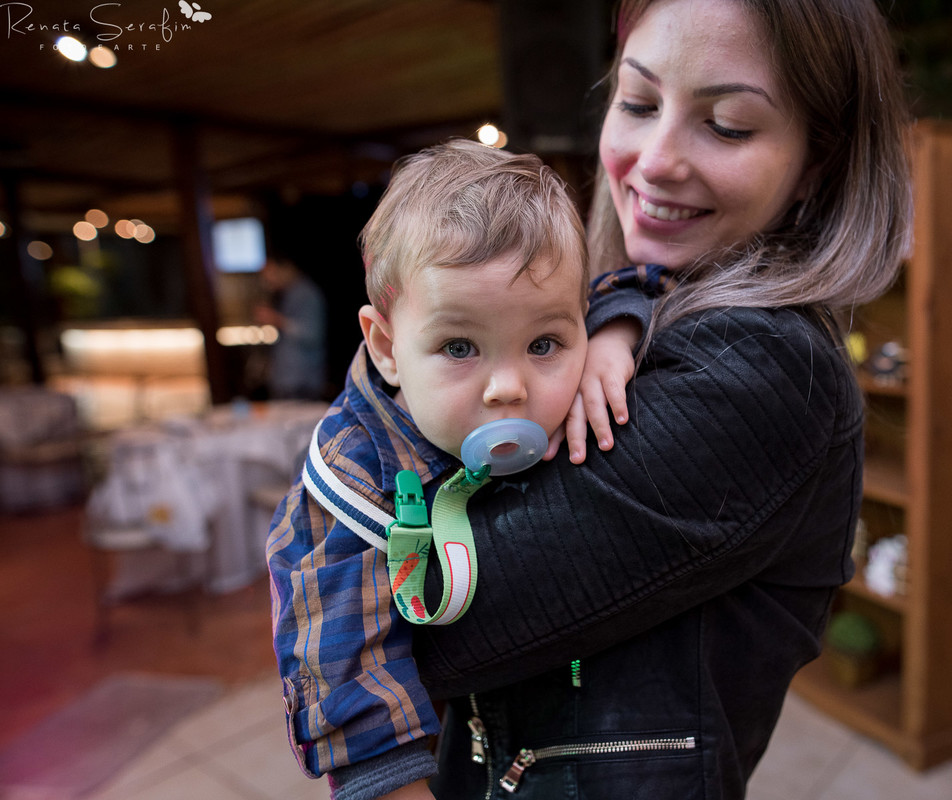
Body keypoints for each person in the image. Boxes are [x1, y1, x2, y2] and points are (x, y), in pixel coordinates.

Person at [278, 0, 913, 797]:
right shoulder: (631, 311)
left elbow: (429, 615)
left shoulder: (773, 371)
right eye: (639, 103)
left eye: (728, 125)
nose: (654, 160)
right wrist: (610, 319)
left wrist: (331, 528)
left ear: (818, 157)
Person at [267, 140, 619, 798]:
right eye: (460, 346)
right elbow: (338, 652)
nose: (509, 388)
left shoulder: (588, 363)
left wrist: (620, 333)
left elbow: (631, 285)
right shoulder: (354, 476)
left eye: (545, 343)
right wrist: (392, 783)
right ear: (387, 346)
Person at [255, 255, 327, 400]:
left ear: (285, 268)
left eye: (270, 273)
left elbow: (312, 334)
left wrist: (277, 320)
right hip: (287, 381)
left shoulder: (306, 294)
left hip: (302, 382)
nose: (267, 280)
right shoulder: (287, 294)